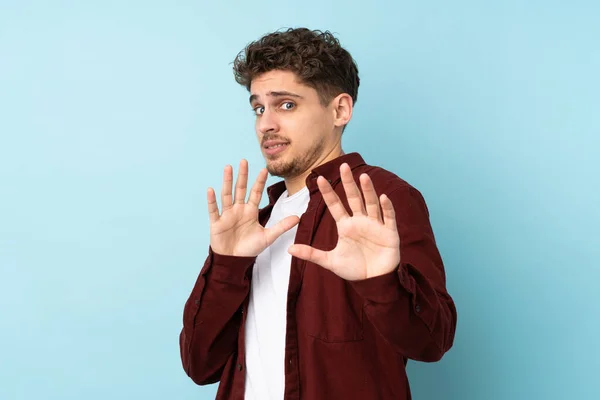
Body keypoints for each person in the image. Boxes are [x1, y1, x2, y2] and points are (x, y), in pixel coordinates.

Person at [179, 27, 457, 400]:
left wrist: (382, 283)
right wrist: (226, 265)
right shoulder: (256, 224)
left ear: (339, 109)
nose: (266, 124)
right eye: (259, 107)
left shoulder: (384, 198)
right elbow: (200, 366)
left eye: (286, 104)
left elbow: (431, 342)